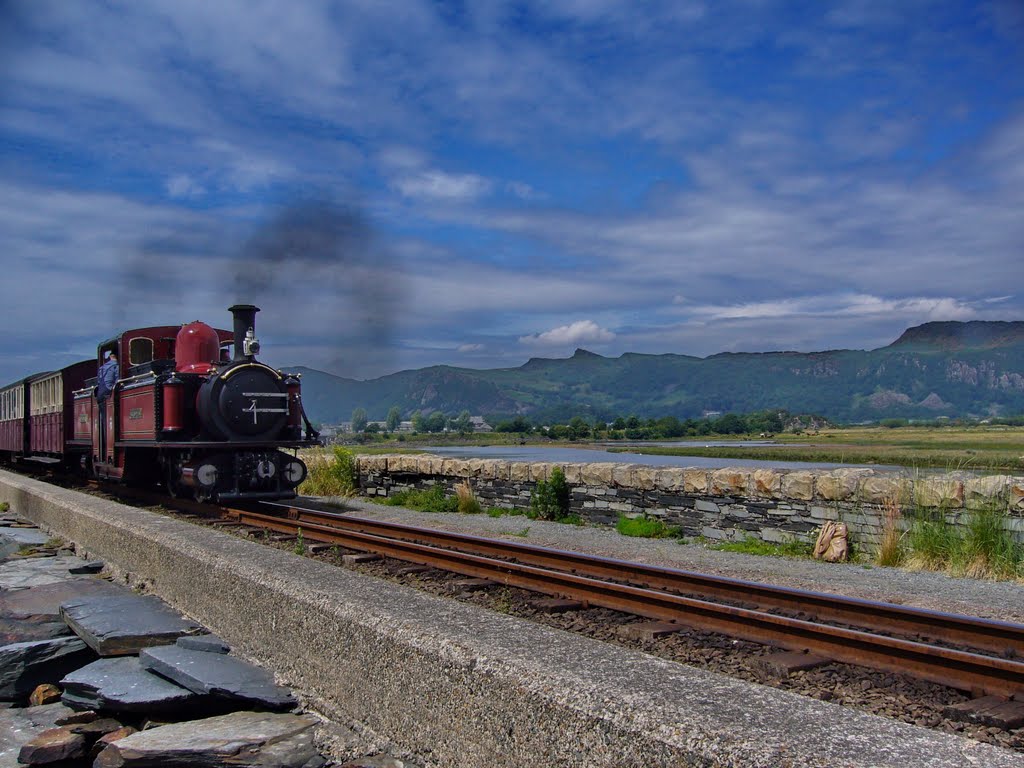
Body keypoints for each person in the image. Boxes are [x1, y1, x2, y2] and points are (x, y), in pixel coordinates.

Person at [96, 350, 118, 460]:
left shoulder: (103, 367)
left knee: (104, 423)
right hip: (108, 394)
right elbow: (118, 381)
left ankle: (105, 446)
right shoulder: (116, 366)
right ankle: (110, 448)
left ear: (110, 356)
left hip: (100, 394)